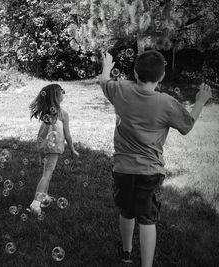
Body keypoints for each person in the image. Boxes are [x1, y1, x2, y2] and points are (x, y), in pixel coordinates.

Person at [99, 50, 212, 267]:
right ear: (161, 77)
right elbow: (187, 126)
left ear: (135, 72)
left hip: (122, 168)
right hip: (150, 171)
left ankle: (126, 252)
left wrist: (106, 65)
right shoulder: (166, 102)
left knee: (127, 211)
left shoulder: (120, 89)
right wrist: (200, 101)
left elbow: (104, 81)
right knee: (147, 218)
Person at [29, 84, 79, 215]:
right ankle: (35, 203)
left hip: (44, 147)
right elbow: (67, 135)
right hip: (54, 148)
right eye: (62, 92)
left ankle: (44, 196)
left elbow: (41, 136)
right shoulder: (62, 114)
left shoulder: (46, 113)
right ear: (56, 96)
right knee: (46, 175)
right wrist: (72, 149)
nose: (64, 94)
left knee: (48, 173)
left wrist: (40, 154)